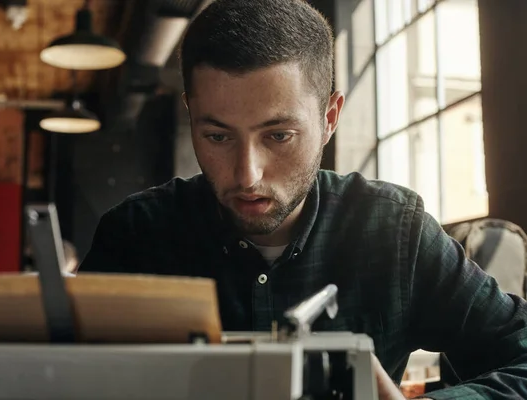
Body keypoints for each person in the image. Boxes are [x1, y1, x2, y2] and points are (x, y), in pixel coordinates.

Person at [78, 0, 527, 398]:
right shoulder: (134, 235)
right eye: (217, 136)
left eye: (278, 135)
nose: (247, 174)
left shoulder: (395, 231)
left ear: (330, 117)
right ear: (191, 115)